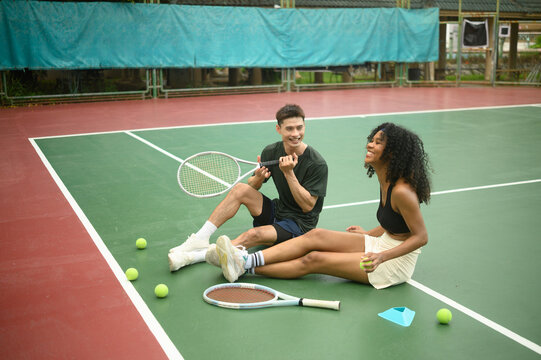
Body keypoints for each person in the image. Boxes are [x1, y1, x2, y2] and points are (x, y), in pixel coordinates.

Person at [215, 122, 431, 289]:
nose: (369, 144)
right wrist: (369, 234)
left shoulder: (402, 191)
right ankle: (246, 259)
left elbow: (421, 237)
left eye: (377, 142)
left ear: (392, 152)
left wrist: (382, 256)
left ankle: (246, 268)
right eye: (371, 140)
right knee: (314, 236)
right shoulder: (386, 179)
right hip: (383, 244)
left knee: (314, 259)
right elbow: (394, 223)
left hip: (394, 263)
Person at [168, 104, 328, 271]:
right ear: (278, 129)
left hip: (299, 226)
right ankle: (200, 238)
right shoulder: (271, 151)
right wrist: (258, 178)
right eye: (289, 129)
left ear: (304, 126)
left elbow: (308, 206)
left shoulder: (316, 164)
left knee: (253, 235)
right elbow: (252, 186)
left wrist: (289, 173)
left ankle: (192, 257)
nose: (295, 134)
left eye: (299, 128)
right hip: (279, 211)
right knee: (240, 189)